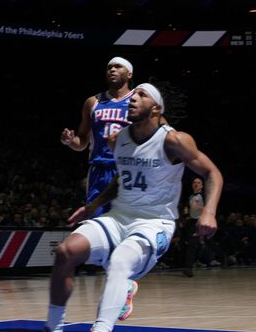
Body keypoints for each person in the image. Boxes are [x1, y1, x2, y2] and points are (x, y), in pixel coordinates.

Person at [44, 83, 223, 332]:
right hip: (119, 217)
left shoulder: (173, 140)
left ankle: (102, 328)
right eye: (133, 94)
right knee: (66, 251)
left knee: (120, 260)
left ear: (156, 108)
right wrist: (93, 205)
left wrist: (209, 211)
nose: (133, 99)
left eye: (142, 95)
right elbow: (122, 179)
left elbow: (212, 172)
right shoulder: (118, 139)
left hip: (154, 223)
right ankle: (53, 327)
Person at [60, 57, 134, 218]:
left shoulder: (138, 100)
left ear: (129, 74)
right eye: (109, 67)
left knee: (127, 223)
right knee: (96, 221)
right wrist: (70, 141)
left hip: (129, 169)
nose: (112, 70)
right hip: (100, 169)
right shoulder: (92, 102)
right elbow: (82, 142)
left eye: (118, 67)